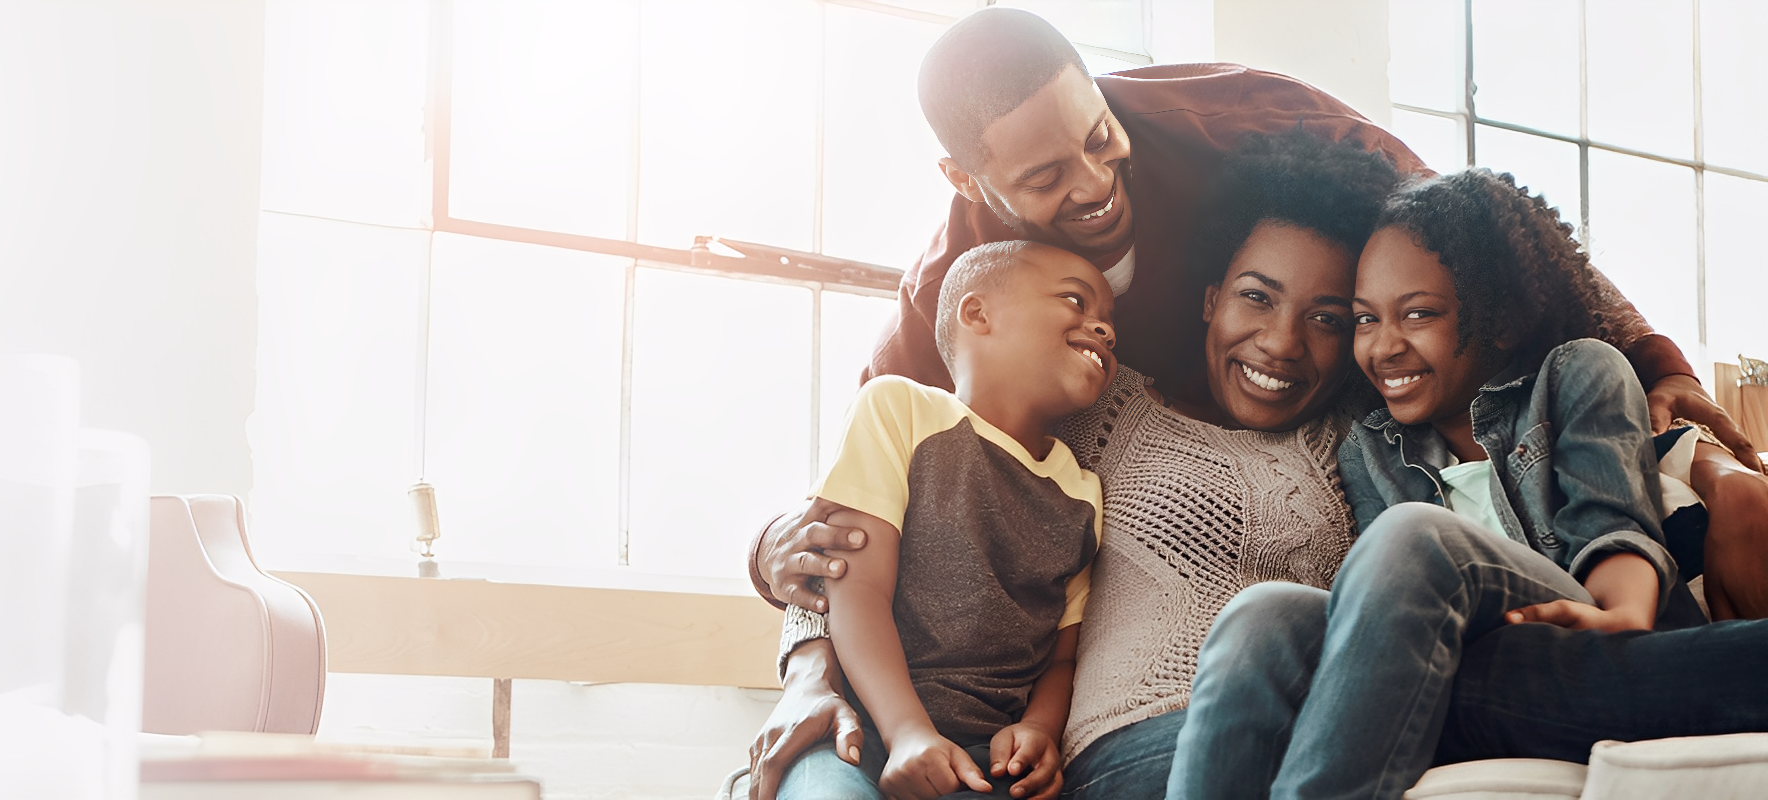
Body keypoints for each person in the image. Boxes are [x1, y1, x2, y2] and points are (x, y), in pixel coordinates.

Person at [748, 8, 1768, 798]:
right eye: (1051, 174)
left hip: (1335, 668)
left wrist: (1655, 368)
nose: (1099, 180)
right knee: (1278, 619)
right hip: (1152, 723)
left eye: (1099, 137)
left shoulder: (1244, 139)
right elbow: (864, 509)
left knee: (1314, 615)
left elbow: (1483, 235)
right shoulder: (994, 319)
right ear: (967, 174)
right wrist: (799, 640)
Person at [1166, 169, 1768, 800]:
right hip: (1468, 656)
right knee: (1260, 618)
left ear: (1498, 321)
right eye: (1365, 320)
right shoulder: (1369, 446)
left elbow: (1613, 526)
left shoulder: (1576, 374)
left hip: (1585, 620)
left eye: (1419, 314)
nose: (1384, 346)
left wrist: (1622, 614)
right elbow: (1384, 609)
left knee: (1415, 537)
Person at [776, 241, 1116, 800]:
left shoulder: (1083, 492)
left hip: (987, 760)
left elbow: (1063, 657)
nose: (1102, 328)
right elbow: (854, 590)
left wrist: (1038, 729)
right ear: (977, 313)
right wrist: (908, 733)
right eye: (1076, 302)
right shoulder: (899, 408)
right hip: (858, 732)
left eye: (1108, 321)